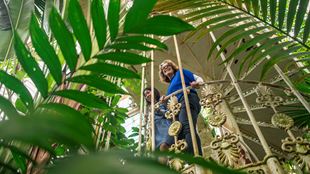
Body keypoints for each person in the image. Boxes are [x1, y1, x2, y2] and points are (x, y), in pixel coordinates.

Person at [159, 59, 203, 155]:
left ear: (172, 66)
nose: (166, 68)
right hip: (177, 109)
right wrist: (164, 98)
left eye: (167, 65)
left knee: (188, 127)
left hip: (187, 99)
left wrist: (197, 83)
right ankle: (190, 159)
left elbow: (198, 78)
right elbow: (169, 102)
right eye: (163, 68)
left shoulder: (181, 73)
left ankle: (197, 157)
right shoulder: (170, 86)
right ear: (163, 73)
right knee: (177, 134)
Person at [143, 87, 173, 152]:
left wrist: (158, 109)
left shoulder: (162, 100)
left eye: (148, 93)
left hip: (163, 126)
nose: (147, 96)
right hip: (155, 130)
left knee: (164, 145)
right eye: (145, 95)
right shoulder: (149, 109)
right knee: (158, 151)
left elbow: (169, 114)